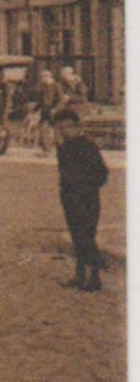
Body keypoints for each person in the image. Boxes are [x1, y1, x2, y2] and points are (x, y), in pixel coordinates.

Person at [54, 109, 109, 292]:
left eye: (67, 127)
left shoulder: (88, 147)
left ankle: (94, 276)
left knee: (86, 236)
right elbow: (64, 172)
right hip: (69, 197)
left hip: (86, 198)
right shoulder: (63, 147)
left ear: (77, 127)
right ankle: (79, 274)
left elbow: (102, 173)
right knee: (76, 235)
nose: (63, 131)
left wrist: (85, 186)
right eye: (60, 128)